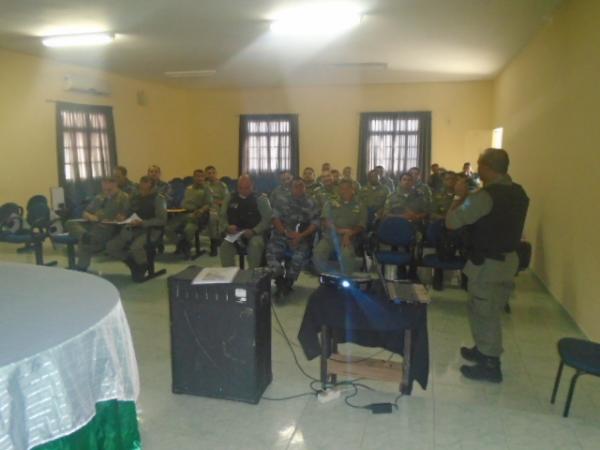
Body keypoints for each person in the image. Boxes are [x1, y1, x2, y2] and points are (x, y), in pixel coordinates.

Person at [446, 148, 529, 383]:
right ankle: (482, 349)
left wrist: (459, 196)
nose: (477, 170)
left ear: (488, 168)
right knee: (483, 308)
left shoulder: (486, 197)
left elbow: (453, 222)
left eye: (480, 165)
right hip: (506, 259)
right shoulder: (518, 192)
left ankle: (491, 363)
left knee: (486, 311)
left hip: (489, 263)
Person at [266, 178, 319, 299]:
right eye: (296, 186)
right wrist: (285, 233)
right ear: (291, 187)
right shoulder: (281, 199)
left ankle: (288, 283)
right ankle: (279, 280)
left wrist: (301, 235)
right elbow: (275, 218)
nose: (299, 189)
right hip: (281, 235)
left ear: (305, 187)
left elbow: (315, 223)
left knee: (298, 257)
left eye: (302, 186)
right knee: (271, 254)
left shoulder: (311, 202)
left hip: (300, 237)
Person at [106, 176, 167, 281]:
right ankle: (132, 263)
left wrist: (143, 223)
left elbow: (162, 220)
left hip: (151, 230)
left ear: (152, 188)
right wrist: (123, 216)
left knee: (135, 247)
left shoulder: (159, 199)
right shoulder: (135, 197)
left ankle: (143, 265)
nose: (142, 192)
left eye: (145, 189)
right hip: (133, 227)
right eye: (141, 188)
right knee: (111, 247)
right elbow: (127, 211)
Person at [68, 176, 130, 271]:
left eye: (109, 190)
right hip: (93, 223)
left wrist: (122, 217)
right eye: (104, 189)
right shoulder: (100, 197)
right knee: (70, 223)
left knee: (85, 241)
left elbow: (127, 215)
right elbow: (85, 212)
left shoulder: (124, 197)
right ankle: (85, 236)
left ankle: (81, 266)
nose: (106, 192)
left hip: (107, 227)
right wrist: (90, 216)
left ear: (116, 185)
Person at [313, 179, 367, 275]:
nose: (344, 191)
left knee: (346, 255)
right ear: (338, 190)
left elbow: (361, 225)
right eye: (342, 189)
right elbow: (326, 221)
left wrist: (349, 233)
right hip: (330, 237)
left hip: (348, 239)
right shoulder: (330, 202)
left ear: (352, 189)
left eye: (347, 188)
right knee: (318, 253)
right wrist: (339, 230)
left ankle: (345, 280)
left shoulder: (360, 205)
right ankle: (325, 277)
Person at [219, 175, 273, 269]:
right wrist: (227, 227)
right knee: (225, 246)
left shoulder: (261, 199)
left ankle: (252, 275)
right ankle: (230, 275)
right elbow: (222, 216)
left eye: (247, 188)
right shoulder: (230, 197)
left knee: (255, 245)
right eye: (240, 188)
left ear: (252, 186)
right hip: (235, 233)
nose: (243, 190)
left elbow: (267, 219)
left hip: (255, 233)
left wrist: (254, 231)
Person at [166, 169, 212, 258]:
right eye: (197, 176)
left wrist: (201, 210)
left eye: (201, 176)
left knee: (188, 229)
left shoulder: (207, 189)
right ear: (193, 177)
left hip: (198, 215)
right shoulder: (188, 189)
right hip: (184, 213)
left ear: (204, 178)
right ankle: (182, 245)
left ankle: (184, 247)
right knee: (168, 228)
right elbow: (183, 202)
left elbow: (208, 204)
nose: (199, 178)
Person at [205, 165, 230, 256]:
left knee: (213, 217)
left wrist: (216, 202)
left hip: (218, 208)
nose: (211, 175)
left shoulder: (222, 185)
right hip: (205, 207)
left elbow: (227, 200)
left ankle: (214, 244)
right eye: (209, 173)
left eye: (213, 173)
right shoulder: (205, 185)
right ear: (206, 175)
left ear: (216, 174)